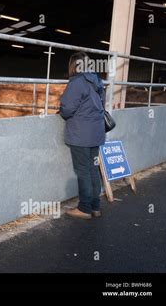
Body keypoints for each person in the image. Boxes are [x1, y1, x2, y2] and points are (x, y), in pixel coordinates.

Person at [59, 52, 105, 220]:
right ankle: (95, 207)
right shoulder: (97, 81)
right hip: (96, 132)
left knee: (82, 171)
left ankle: (84, 208)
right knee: (93, 169)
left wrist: (61, 108)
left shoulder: (77, 82)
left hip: (81, 135)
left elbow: (67, 109)